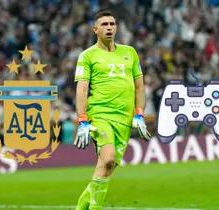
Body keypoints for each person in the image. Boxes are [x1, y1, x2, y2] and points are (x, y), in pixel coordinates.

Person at [74, 10, 151, 210]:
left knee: (106, 169)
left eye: (112, 24)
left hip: (124, 120)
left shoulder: (130, 52)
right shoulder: (87, 55)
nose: (109, 27)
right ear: (95, 29)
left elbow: (140, 87)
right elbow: (82, 89)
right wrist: (82, 120)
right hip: (100, 116)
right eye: (105, 24)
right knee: (107, 159)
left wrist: (139, 114)